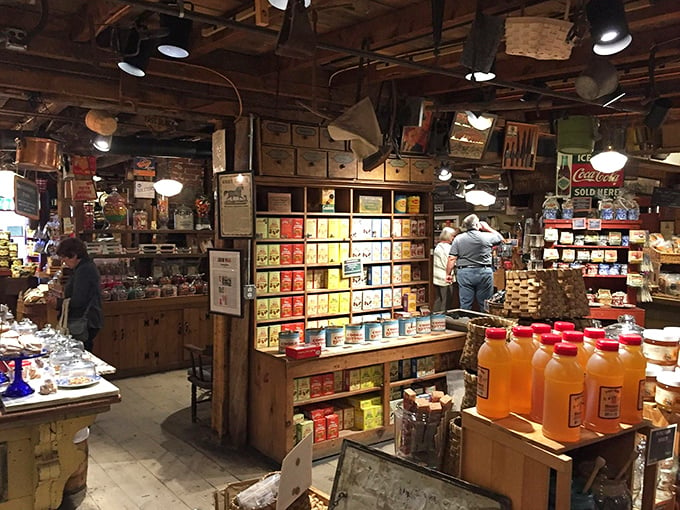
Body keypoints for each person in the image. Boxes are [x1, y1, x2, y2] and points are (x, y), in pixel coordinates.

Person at [445, 214, 503, 311]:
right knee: (485, 304)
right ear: (477, 225)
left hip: (465, 273)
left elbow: (452, 258)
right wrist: (487, 228)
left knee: (465, 304)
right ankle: (484, 324)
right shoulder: (487, 237)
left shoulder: (458, 239)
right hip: (484, 272)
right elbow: (501, 239)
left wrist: (448, 274)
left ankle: (466, 323)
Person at [55, 237, 103, 352]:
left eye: (64, 257)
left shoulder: (84, 270)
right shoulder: (83, 267)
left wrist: (58, 303)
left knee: (81, 353)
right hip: (88, 319)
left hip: (85, 320)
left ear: (74, 255)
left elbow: (79, 300)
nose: (64, 261)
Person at [433, 227, 457, 312]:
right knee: (446, 301)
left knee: (439, 299)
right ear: (448, 236)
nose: (453, 238)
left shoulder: (438, 246)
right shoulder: (448, 248)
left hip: (437, 277)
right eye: (453, 236)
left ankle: (435, 318)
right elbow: (448, 262)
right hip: (445, 277)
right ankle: (443, 320)